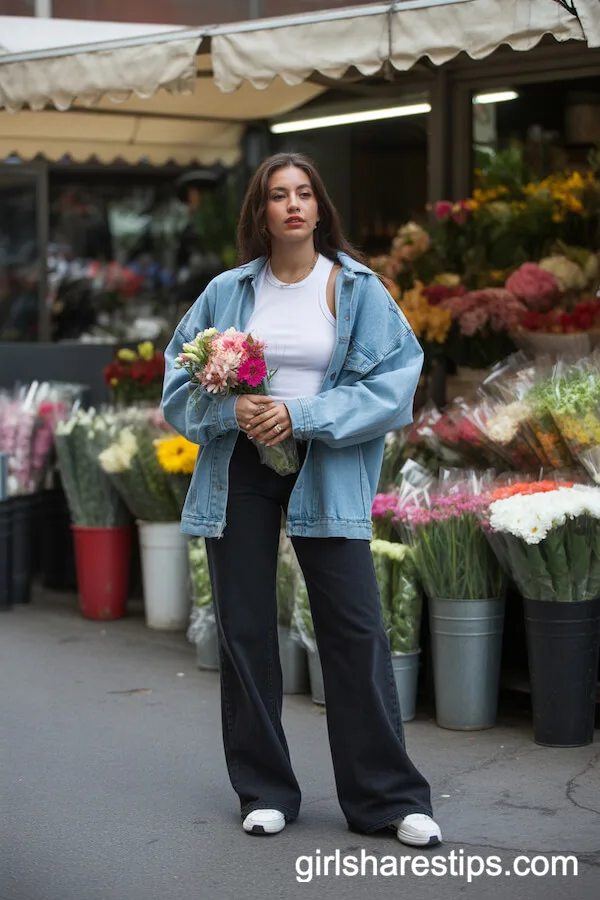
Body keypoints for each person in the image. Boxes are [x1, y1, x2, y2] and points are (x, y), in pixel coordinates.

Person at [162, 152, 442, 847]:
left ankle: (388, 798)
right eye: (278, 195)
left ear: (320, 208)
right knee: (247, 628)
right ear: (260, 212)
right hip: (241, 470)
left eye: (304, 193)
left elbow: (397, 382)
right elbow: (177, 388)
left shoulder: (356, 289)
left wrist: (304, 416)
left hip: (328, 467)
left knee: (354, 628)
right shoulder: (227, 292)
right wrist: (233, 414)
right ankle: (264, 790)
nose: (292, 205)